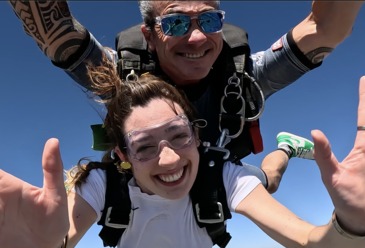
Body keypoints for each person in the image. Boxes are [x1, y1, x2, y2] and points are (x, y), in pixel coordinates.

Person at [3, 60, 365, 248]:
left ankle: (284, 148)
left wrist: (353, 224)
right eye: (144, 147)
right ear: (122, 156)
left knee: (270, 178)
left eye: (179, 135)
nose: (170, 158)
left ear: (197, 133)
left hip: (225, 179)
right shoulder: (103, 183)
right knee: (265, 182)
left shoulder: (221, 175)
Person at [7, 1, 364, 193]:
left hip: (214, 170)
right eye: (176, 24)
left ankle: (285, 148)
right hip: (142, 180)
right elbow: (55, 31)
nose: (196, 39)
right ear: (149, 36)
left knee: (267, 182)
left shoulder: (241, 78)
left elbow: (326, 30)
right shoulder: (122, 79)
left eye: (209, 21)